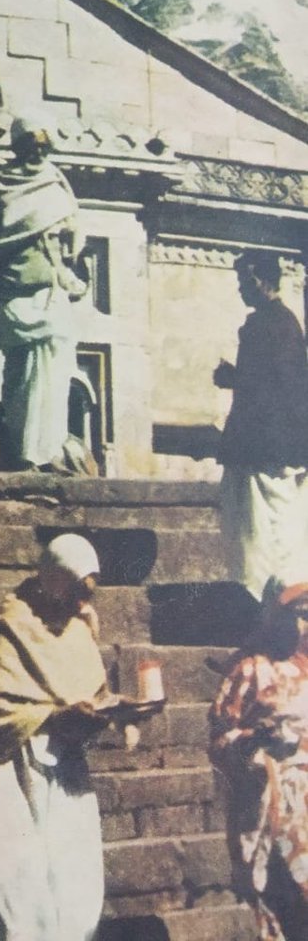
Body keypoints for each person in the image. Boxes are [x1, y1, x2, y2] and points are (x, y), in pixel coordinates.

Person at [0, 533, 111, 941]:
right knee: (16, 881)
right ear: (56, 581)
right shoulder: (13, 622)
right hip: (16, 765)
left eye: (86, 594)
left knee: (73, 878)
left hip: (67, 768)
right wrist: (52, 715)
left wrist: (110, 711)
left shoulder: (79, 626)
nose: (81, 603)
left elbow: (92, 688)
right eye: (74, 592)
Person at [0, 114, 90, 471]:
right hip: (18, 295)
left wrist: (67, 239)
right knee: (23, 379)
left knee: (56, 375)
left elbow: (73, 239)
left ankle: (50, 451)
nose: (38, 154)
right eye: (31, 147)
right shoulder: (0, 186)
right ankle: (22, 453)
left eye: (44, 147)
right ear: (18, 148)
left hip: (52, 294)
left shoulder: (56, 185)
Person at [209, 580, 308, 940]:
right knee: (290, 909)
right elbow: (220, 742)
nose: (306, 626)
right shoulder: (252, 669)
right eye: (301, 615)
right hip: (275, 805)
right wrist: (254, 739)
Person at [214, 251, 308, 600]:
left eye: (246, 281)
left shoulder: (268, 325)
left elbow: (276, 387)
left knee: (258, 531)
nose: (241, 289)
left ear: (264, 281)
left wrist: (233, 378)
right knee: (269, 528)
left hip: (264, 448)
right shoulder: (284, 323)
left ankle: (262, 601)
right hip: (273, 447)